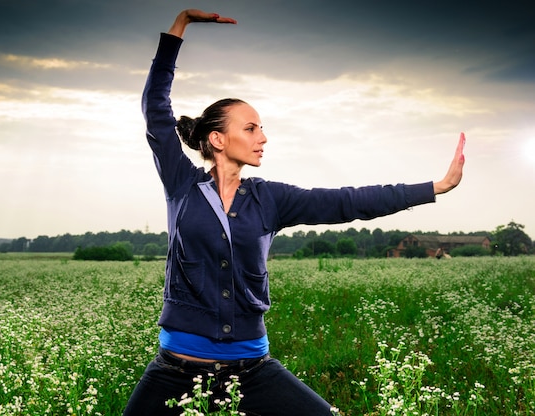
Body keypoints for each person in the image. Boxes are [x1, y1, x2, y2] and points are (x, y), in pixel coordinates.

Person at [123, 9, 465, 416]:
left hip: (252, 370)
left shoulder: (272, 199)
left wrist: (434, 187)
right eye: (250, 128)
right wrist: (178, 28)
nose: (263, 137)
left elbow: (348, 201)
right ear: (217, 138)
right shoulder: (182, 185)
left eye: (261, 128)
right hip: (175, 370)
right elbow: (155, 110)